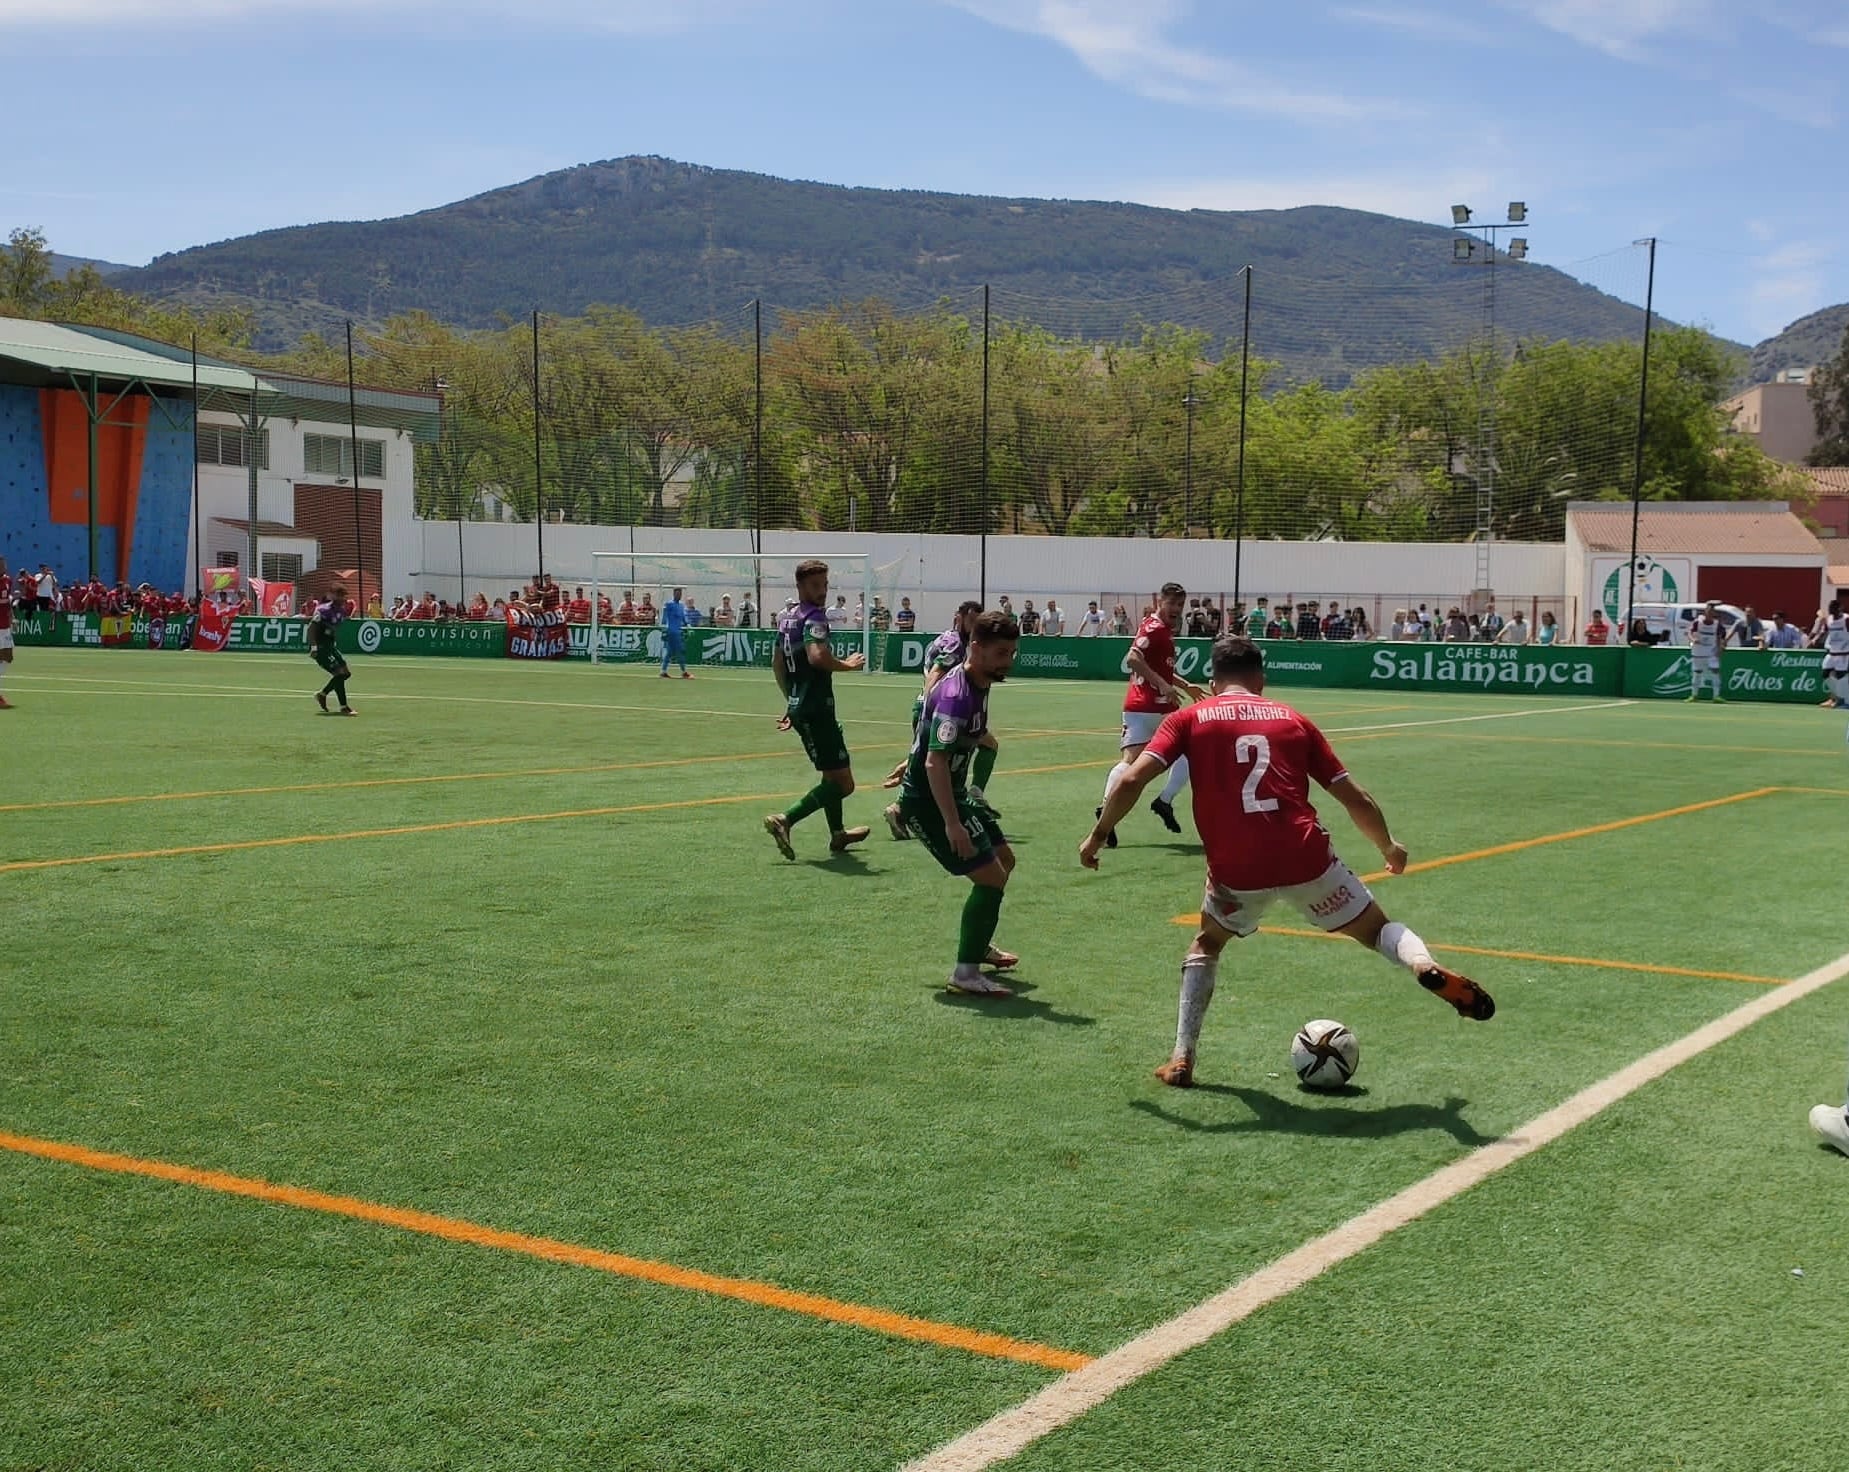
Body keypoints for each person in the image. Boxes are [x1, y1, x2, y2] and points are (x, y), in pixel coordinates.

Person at [1080, 635, 1494, 1087]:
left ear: (1214, 681)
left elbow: (1133, 778)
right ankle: (1421, 966)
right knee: (1377, 931)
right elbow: (1353, 796)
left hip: (1237, 870)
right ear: (1260, 679)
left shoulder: (1189, 718)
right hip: (1305, 857)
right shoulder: (1294, 720)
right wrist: (1388, 846)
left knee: (1207, 945)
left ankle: (1182, 1057)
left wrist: (1099, 834)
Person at [896, 611, 1023, 995]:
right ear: (976, 648)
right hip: (930, 801)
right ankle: (965, 973)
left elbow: (938, 743)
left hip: (952, 791)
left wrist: (914, 753)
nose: (1008, 661)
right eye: (1001, 653)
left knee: (1005, 861)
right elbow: (936, 761)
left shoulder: (977, 682)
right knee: (992, 878)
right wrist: (952, 824)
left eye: (1012, 653)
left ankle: (977, 942)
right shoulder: (957, 694)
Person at [764, 560, 870, 859]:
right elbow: (817, 656)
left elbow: (777, 665)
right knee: (845, 784)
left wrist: (791, 700)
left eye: (824, 585)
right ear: (799, 587)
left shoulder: (787, 620)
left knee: (830, 776)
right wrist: (847, 665)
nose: (822, 591)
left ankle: (838, 833)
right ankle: (785, 820)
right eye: (815, 586)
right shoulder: (814, 619)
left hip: (803, 705)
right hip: (817, 710)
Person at [1097, 581, 1206, 848]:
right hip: (1148, 707)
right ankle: (1161, 800)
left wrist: (1182, 685)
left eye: (1180, 605)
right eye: (1172, 604)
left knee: (1143, 758)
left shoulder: (1161, 629)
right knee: (1181, 753)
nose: (1177, 609)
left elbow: (1158, 668)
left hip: (1149, 708)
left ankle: (1109, 808)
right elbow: (1133, 658)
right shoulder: (1154, 628)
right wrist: (1164, 685)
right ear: (1160, 602)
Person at [882, 601, 1001, 835]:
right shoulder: (956, 644)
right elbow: (937, 672)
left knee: (932, 761)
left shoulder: (945, 637)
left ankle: (899, 810)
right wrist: (930, 707)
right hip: (941, 710)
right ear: (959, 617)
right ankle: (973, 796)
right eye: (971, 620)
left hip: (935, 708)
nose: (975, 625)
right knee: (978, 749)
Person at [308, 584, 356, 715]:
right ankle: (344, 706)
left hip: (330, 646)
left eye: (344, 595)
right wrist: (314, 647)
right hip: (321, 647)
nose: (343, 598)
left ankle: (323, 694)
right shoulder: (323, 610)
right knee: (339, 674)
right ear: (333, 596)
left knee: (345, 673)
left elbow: (333, 628)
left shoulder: (341, 611)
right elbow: (311, 628)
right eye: (340, 595)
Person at [1687, 601, 1725, 702]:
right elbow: (1689, 632)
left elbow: (1720, 637)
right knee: (1697, 672)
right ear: (1705, 611)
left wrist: (1720, 648)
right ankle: (1694, 695)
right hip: (1698, 651)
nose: (1710, 613)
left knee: (1715, 672)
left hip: (1711, 651)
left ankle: (1716, 696)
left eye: (1712, 611)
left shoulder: (1717, 624)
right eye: (1708, 610)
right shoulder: (1697, 622)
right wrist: (1693, 639)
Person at [1815, 599, 1849, 708]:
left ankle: (1841, 700)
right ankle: (1836, 697)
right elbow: (1824, 630)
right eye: (1830, 610)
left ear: (1839, 609)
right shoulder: (1829, 619)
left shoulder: (1846, 619)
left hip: (1844, 654)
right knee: (1825, 674)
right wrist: (1816, 639)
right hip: (1832, 653)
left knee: (1840, 677)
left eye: (1834, 609)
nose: (1831, 612)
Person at [659, 586, 691, 679]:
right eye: (677, 593)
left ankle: (663, 671)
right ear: (674, 594)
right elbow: (664, 618)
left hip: (677, 631)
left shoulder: (681, 605)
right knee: (680, 651)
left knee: (669, 652)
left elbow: (684, 617)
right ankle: (684, 672)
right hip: (671, 632)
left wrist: (688, 625)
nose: (679, 595)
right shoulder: (669, 604)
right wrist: (663, 630)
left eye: (680, 593)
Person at [0, 557, 15, 708]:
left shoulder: (7, 580)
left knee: (7, 657)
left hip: (4, 626)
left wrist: (12, 616)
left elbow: (8, 602)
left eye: (4, 564)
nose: (4, 567)